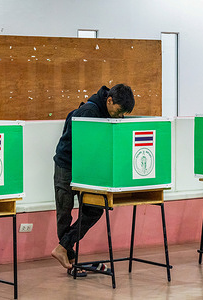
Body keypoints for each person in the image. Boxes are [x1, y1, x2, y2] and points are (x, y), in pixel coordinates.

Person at [51, 84, 135, 276]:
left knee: (94, 209)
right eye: (120, 111)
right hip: (67, 165)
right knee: (64, 214)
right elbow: (84, 145)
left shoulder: (102, 111)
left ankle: (63, 249)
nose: (120, 116)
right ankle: (71, 260)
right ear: (109, 101)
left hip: (86, 168)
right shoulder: (89, 111)